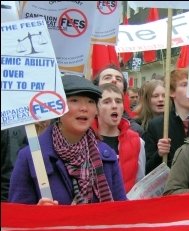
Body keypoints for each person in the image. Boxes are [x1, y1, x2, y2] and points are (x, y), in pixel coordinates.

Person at [9, 75, 127, 205]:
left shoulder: (106, 155)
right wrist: (37, 214)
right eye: (74, 100)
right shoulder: (31, 156)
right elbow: (18, 217)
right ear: (57, 107)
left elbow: (121, 212)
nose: (84, 108)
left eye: (90, 102)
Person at [143, 69, 189, 174]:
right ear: (171, 92)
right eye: (185, 85)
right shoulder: (156, 125)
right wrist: (159, 154)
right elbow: (147, 169)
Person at [95, 83, 146, 193]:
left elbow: (140, 183)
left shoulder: (137, 141)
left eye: (118, 101)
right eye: (107, 102)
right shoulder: (86, 141)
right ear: (96, 108)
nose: (114, 106)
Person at [92, 64, 143, 136]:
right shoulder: (82, 129)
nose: (114, 80)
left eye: (118, 79)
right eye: (107, 77)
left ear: (124, 90)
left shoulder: (135, 131)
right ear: (96, 86)